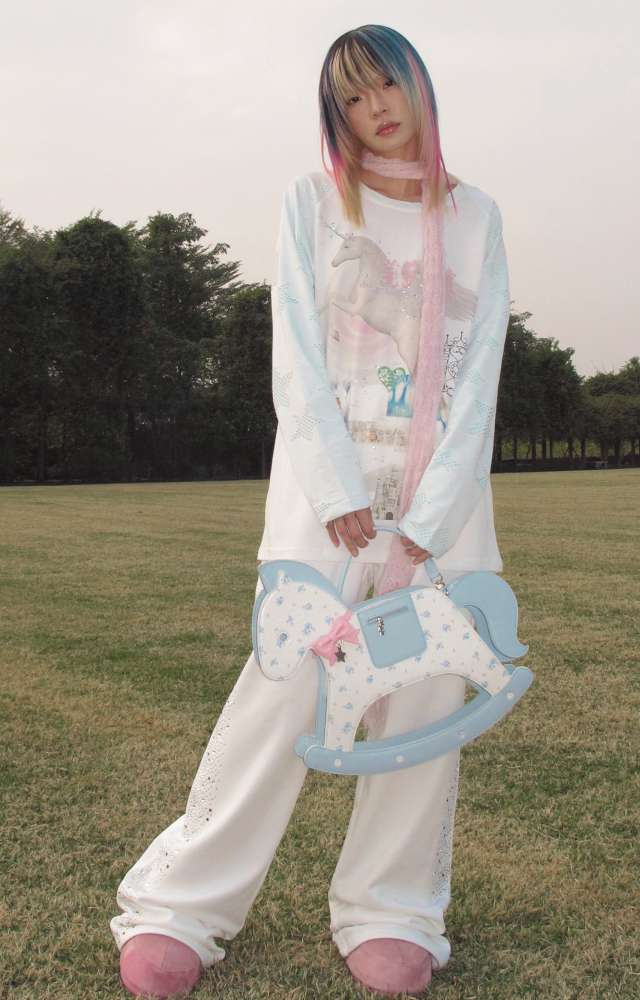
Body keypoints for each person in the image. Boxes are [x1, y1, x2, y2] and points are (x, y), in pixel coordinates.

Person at [111, 23, 511, 998]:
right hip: (325, 505)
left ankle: (391, 908)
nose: (376, 109)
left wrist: (428, 520)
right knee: (282, 691)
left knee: (423, 701)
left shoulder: (476, 216)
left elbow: (481, 376)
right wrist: (338, 492)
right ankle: (183, 905)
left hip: (440, 513)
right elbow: (294, 349)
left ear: (418, 85)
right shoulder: (311, 203)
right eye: (352, 98)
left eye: (387, 86)